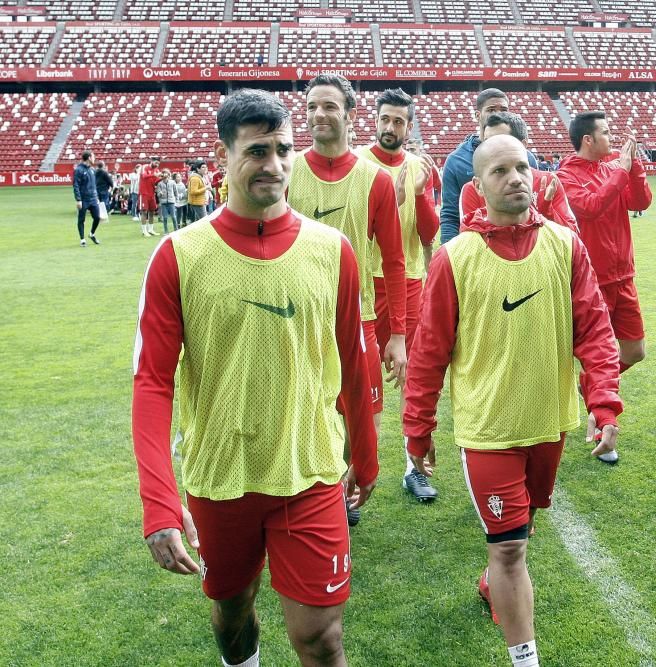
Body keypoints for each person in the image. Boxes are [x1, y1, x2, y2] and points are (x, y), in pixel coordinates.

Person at [132, 88, 378, 667]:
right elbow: (152, 385)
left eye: (283, 150)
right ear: (224, 155)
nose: (274, 165)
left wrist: (365, 456)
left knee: (322, 638)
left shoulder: (332, 251)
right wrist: (159, 503)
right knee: (233, 612)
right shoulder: (179, 255)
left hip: (310, 468)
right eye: (257, 151)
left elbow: (351, 363)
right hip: (222, 478)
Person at [403, 135, 622, 667]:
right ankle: (525, 658)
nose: (516, 178)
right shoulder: (455, 258)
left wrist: (604, 403)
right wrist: (418, 430)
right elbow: (428, 352)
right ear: (477, 187)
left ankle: (493, 582)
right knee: (510, 547)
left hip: (549, 423)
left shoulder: (564, 245)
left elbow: (594, 328)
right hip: (488, 431)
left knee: (521, 532)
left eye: (522, 167)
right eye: (500, 170)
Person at [286, 75, 409, 523]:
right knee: (302, 405)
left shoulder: (374, 180)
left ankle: (347, 483)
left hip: (358, 317)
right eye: (313, 106)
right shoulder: (289, 169)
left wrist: (397, 335)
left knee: (363, 410)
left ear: (350, 114)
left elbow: (393, 260)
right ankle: (314, 488)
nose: (320, 114)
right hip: (297, 316)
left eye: (330, 107)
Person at [356, 88, 440, 502]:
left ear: (409, 125)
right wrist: (394, 200)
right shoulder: (357, 164)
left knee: (415, 377)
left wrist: (420, 194)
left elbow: (428, 234)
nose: (391, 128)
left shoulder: (419, 165)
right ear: (375, 119)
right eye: (385, 119)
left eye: (399, 121)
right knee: (357, 382)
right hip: (364, 283)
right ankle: (352, 472)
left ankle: (415, 467)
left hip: (409, 282)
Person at [557, 110, 651, 464]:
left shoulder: (616, 165)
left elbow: (640, 203)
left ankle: (590, 386)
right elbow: (592, 208)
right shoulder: (567, 176)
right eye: (607, 133)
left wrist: (634, 167)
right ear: (588, 139)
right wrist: (620, 172)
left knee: (635, 351)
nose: (612, 139)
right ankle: (602, 423)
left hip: (623, 276)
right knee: (598, 355)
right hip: (590, 281)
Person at [439, 88, 538, 244]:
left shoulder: (527, 158)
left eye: (503, 109)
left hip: (523, 244)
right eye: (491, 110)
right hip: (478, 246)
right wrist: (449, 253)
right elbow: (450, 215)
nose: (497, 114)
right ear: (478, 115)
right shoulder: (456, 160)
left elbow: (534, 205)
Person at [459, 111, 578, 234]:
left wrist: (546, 211)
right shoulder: (473, 189)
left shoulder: (549, 182)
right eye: (487, 141)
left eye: (501, 141)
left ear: (523, 145)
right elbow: (470, 239)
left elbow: (572, 235)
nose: (491, 147)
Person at [73, 150, 101, 246]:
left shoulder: (92, 170)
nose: (94, 158)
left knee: (97, 217)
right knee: (81, 219)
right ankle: (82, 239)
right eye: (93, 157)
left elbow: (94, 185)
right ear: (89, 158)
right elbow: (76, 185)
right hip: (83, 199)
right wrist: (78, 199)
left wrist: (96, 196)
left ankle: (92, 234)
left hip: (93, 198)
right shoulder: (79, 170)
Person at [138, 157, 162, 238]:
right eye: (156, 162)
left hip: (151, 193)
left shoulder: (157, 170)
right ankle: (144, 231)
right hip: (144, 193)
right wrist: (153, 174)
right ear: (151, 161)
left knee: (152, 211)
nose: (157, 165)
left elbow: (156, 181)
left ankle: (151, 229)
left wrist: (162, 178)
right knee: (144, 212)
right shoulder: (144, 167)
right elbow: (144, 176)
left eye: (158, 163)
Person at [156, 168, 177, 234]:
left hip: (171, 202)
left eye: (166, 173)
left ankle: (176, 229)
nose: (165, 175)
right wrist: (160, 193)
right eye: (164, 173)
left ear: (168, 174)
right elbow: (158, 194)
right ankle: (166, 231)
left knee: (173, 216)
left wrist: (176, 200)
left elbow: (175, 191)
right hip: (163, 203)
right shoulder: (159, 184)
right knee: (165, 218)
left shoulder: (172, 182)